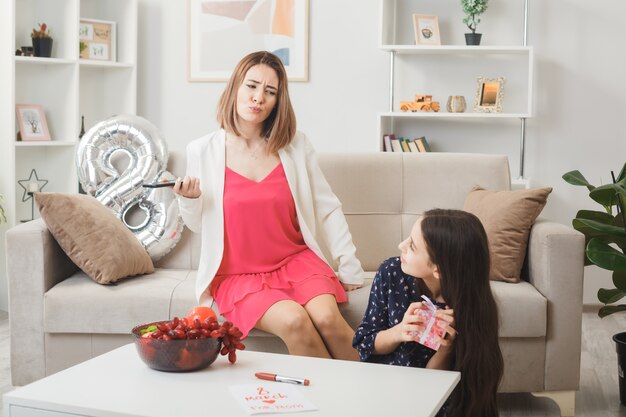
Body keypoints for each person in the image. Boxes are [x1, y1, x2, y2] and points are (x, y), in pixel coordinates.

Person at [173, 51, 364, 361]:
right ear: (235, 87)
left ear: (278, 101)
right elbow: (198, 225)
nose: (258, 97)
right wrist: (189, 200)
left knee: (329, 319)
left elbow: (327, 207)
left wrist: (349, 263)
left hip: (297, 262)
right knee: (294, 321)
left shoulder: (295, 145)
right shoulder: (202, 150)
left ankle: (370, 398)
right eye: (251, 86)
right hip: (238, 277)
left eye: (270, 91)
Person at [353, 209, 503, 417]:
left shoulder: (470, 306)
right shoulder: (391, 273)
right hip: (386, 392)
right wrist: (399, 332)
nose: (401, 246)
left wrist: (445, 350)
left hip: (436, 400)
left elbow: (443, 387)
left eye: (412, 246)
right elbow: (363, 343)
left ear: (438, 270)